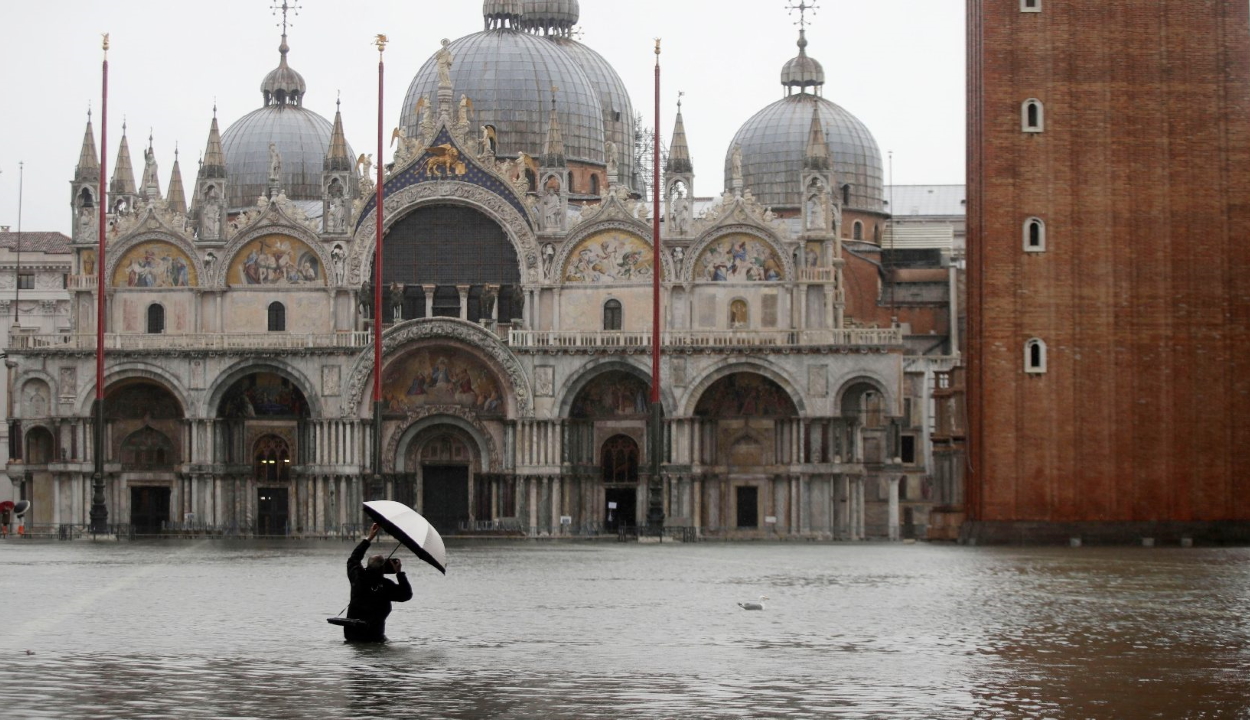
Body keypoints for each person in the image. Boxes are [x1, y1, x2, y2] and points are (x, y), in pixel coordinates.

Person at [344, 523, 413, 642]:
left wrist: (369, 538)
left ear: (367, 565)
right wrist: (399, 573)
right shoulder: (387, 586)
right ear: (383, 568)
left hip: (351, 634)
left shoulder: (357, 576)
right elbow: (406, 594)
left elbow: (353, 559)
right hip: (374, 636)